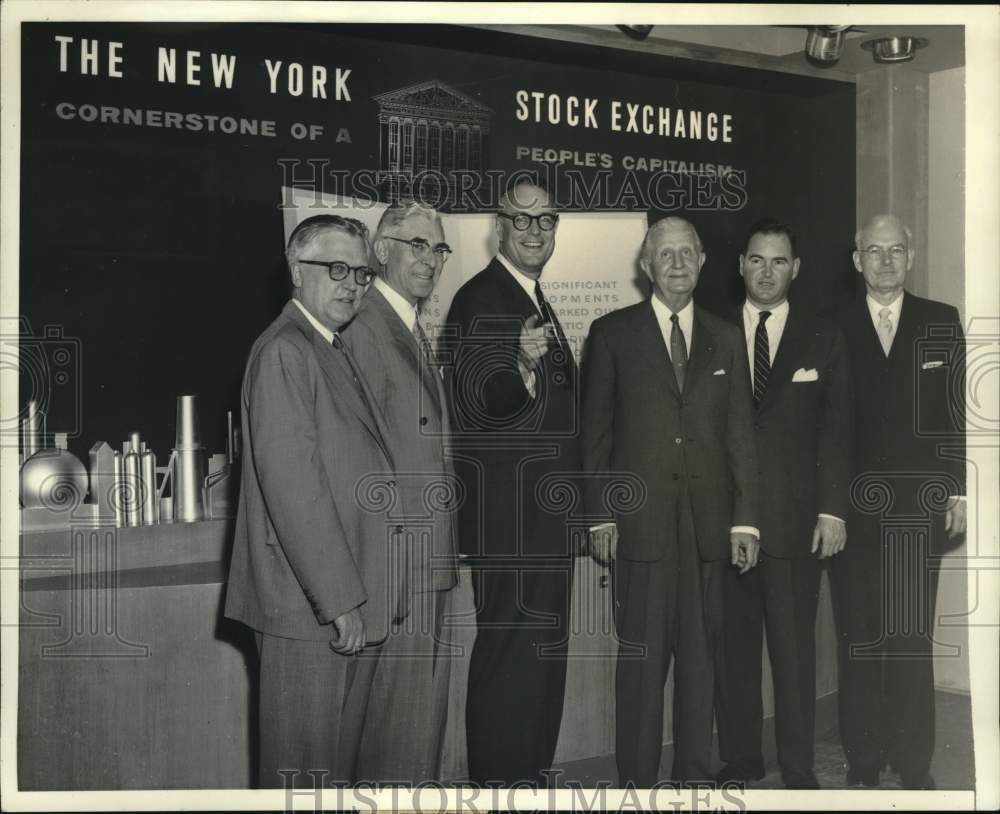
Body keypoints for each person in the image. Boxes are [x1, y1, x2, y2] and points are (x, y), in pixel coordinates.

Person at [225, 214, 410, 787]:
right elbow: (294, 489)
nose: (351, 284)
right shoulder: (286, 351)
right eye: (335, 269)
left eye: (361, 272)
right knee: (303, 776)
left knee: (333, 774)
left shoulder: (328, 346)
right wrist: (338, 601)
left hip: (343, 599)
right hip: (313, 609)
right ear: (295, 270)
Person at [580, 215, 759, 787]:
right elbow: (596, 435)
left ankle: (693, 783)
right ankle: (636, 785)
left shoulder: (726, 336)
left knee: (701, 667)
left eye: (687, 253)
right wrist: (602, 513)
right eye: (665, 255)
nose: (677, 264)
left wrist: (745, 524)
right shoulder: (611, 334)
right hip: (640, 531)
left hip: (708, 532)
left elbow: (740, 438)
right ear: (645, 266)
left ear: (703, 260)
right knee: (642, 669)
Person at [444, 175, 580, 787]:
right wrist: (520, 364)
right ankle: (501, 789)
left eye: (545, 220)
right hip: (511, 523)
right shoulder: (481, 298)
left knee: (540, 664)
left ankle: (527, 782)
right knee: (509, 663)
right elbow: (477, 401)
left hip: (542, 522)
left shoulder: (529, 296)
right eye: (521, 220)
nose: (534, 231)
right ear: (499, 227)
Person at [714, 219, 853, 790]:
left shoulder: (823, 337)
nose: (766, 272)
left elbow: (837, 433)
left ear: (794, 268)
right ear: (740, 264)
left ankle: (797, 768)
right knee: (735, 655)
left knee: (794, 654)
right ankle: (743, 759)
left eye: (778, 262)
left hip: (797, 525)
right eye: (756, 260)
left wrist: (833, 510)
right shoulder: (710, 332)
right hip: (729, 526)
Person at [832, 214, 966, 790]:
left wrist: (958, 489)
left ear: (910, 258)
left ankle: (914, 764)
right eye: (873, 250)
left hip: (920, 507)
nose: (885, 261)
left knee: (911, 639)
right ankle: (862, 761)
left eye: (896, 251)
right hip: (852, 513)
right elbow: (826, 428)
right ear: (856, 259)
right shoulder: (830, 324)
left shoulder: (941, 320)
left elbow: (956, 414)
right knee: (860, 637)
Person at [343, 201, 459, 782]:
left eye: (437, 249)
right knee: (399, 735)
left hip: (423, 559)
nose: (431, 260)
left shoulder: (407, 325)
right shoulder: (364, 327)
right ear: (381, 250)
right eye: (417, 244)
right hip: (396, 567)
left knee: (415, 730)